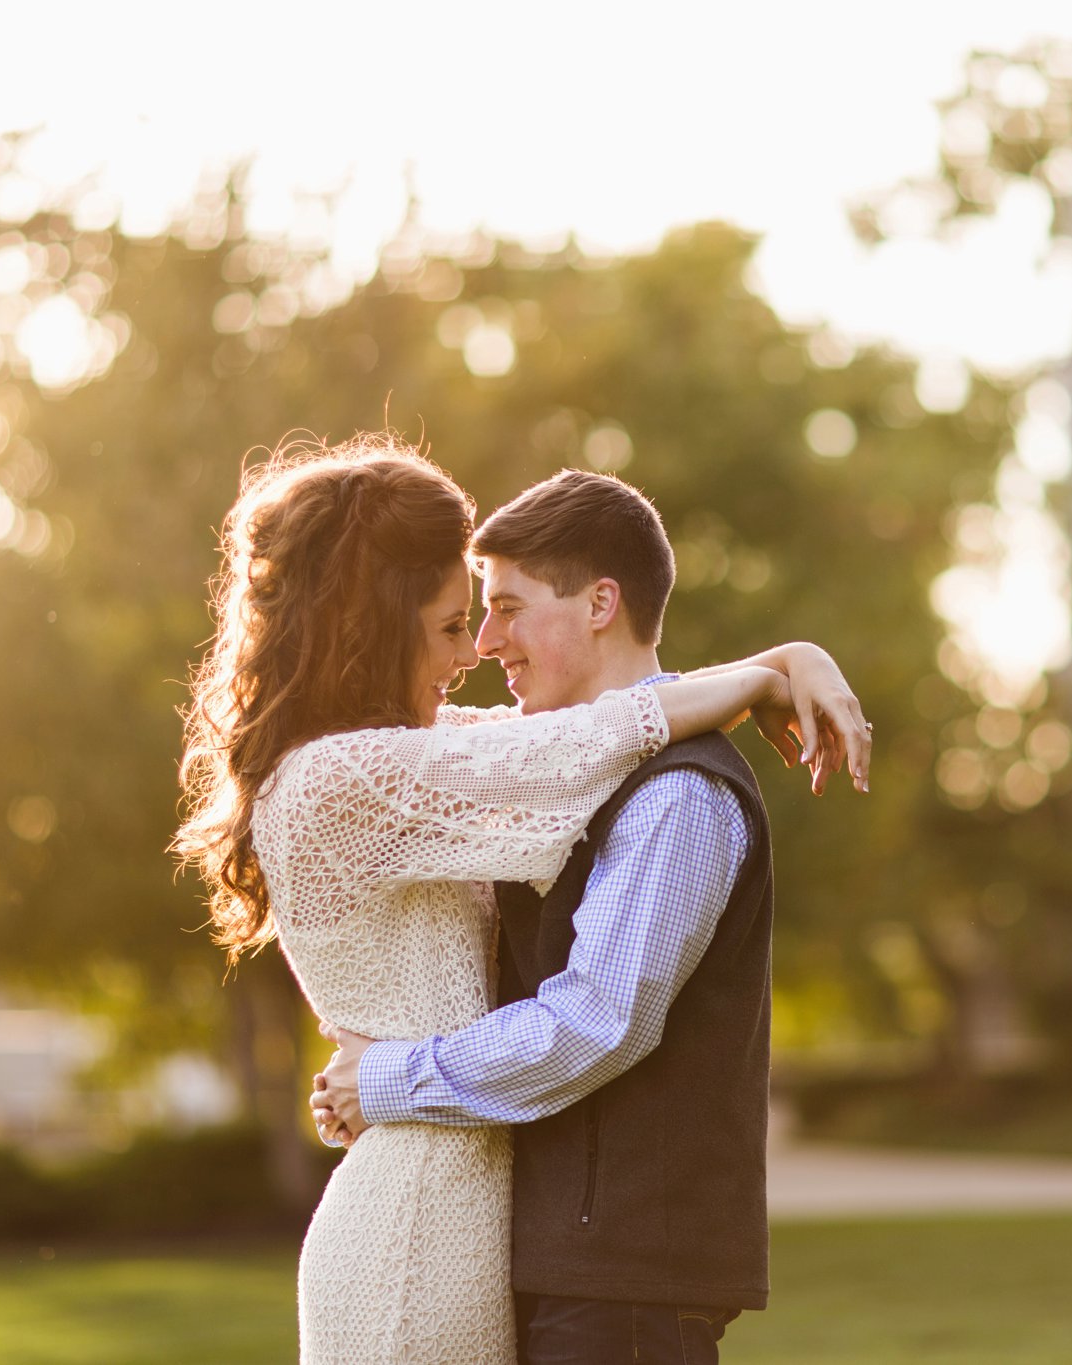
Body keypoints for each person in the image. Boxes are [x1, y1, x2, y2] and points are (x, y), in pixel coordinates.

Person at [173, 434, 868, 1365]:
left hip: (472, 1210)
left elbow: (588, 729)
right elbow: (579, 740)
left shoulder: (420, 755)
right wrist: (765, 672)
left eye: (491, 615)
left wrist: (787, 659)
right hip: (416, 1227)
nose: (474, 651)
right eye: (455, 623)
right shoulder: (349, 776)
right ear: (381, 626)